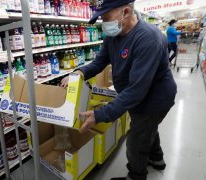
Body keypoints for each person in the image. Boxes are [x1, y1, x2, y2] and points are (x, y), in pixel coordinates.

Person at [61, 1, 177, 180]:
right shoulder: (113, 36)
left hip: (154, 99)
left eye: (106, 17)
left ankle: (136, 175)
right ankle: (157, 159)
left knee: (137, 140)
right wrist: (79, 73)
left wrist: (100, 115)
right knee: (148, 129)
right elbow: (100, 62)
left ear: (126, 11)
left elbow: (136, 91)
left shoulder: (148, 39)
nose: (104, 22)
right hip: (138, 95)